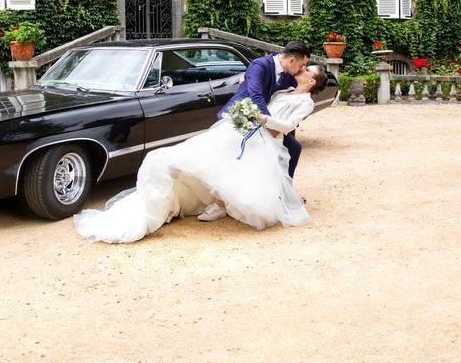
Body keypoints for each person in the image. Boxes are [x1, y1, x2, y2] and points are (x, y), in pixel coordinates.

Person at [73, 65, 328, 244]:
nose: (302, 71)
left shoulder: (304, 102)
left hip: (265, 137)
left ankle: (218, 203)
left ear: (312, 81)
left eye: (308, 71)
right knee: (216, 158)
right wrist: (247, 85)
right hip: (249, 130)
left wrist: (264, 119)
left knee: (237, 170)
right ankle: (206, 197)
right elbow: (262, 77)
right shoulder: (284, 91)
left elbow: (287, 126)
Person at [219, 40, 310, 181]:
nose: (302, 69)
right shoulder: (260, 65)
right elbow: (255, 95)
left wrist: (303, 111)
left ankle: (286, 191)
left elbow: (300, 91)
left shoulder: (288, 73)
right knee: (235, 156)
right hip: (242, 114)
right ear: (292, 60)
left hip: (263, 119)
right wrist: (270, 124)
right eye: (301, 65)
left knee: (294, 148)